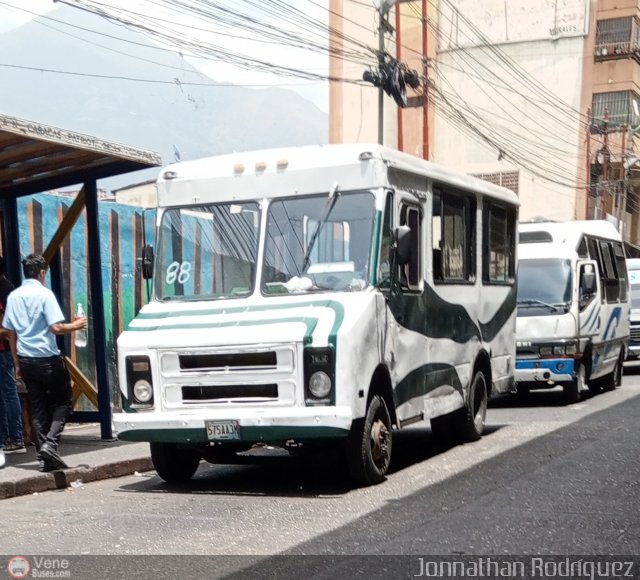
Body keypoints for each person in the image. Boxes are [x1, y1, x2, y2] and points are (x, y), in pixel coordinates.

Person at [2, 254, 87, 472]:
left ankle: (44, 459)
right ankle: (50, 444)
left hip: (26, 359)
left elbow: (10, 332)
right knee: (64, 403)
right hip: (47, 359)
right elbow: (56, 328)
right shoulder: (45, 294)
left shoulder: (14, 297)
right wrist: (76, 326)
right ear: (41, 273)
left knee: (38, 409)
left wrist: (16, 361)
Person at [0, 255, 25, 456]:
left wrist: (16, 358)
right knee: (6, 394)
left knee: (8, 393)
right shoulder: (9, 288)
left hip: (4, 350)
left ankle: (16, 438)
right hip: (7, 350)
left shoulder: (4, 290)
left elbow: (8, 329)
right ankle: (7, 437)